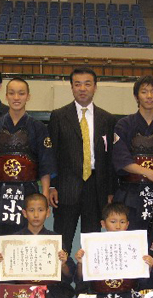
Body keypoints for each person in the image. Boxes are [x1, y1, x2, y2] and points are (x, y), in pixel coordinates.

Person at [0, 77, 55, 240]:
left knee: (26, 239)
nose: (16, 98)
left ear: (28, 96)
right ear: (6, 96)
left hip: (28, 192)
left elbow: (45, 164)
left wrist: (45, 194)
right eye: (12, 93)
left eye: (21, 93)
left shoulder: (38, 128)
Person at [48, 66, 117, 254]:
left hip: (96, 187)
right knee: (62, 240)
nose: (82, 88)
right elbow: (52, 154)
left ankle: (87, 283)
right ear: (71, 87)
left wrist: (110, 191)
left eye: (87, 84)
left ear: (95, 87)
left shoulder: (107, 119)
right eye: (77, 84)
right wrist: (52, 186)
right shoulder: (59, 116)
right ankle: (59, 281)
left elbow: (110, 158)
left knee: (92, 242)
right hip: (66, 187)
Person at [0, 193, 76, 298]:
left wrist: (63, 264)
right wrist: (0, 261)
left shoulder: (55, 239)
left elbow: (69, 275)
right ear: (25, 213)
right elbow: (4, 276)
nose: (36, 215)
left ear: (48, 212)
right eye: (31, 211)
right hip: (21, 289)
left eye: (40, 210)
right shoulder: (14, 239)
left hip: (48, 289)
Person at [74, 202, 150, 298]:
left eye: (122, 222)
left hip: (126, 295)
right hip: (101, 295)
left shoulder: (136, 244)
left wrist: (148, 265)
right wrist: (81, 263)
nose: (118, 226)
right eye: (113, 221)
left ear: (128, 224)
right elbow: (81, 278)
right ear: (103, 224)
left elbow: (143, 280)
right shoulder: (93, 244)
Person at [112, 75, 153, 244]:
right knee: (129, 242)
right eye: (144, 92)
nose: (149, 96)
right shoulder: (124, 124)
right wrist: (147, 172)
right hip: (131, 192)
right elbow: (121, 158)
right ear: (136, 96)